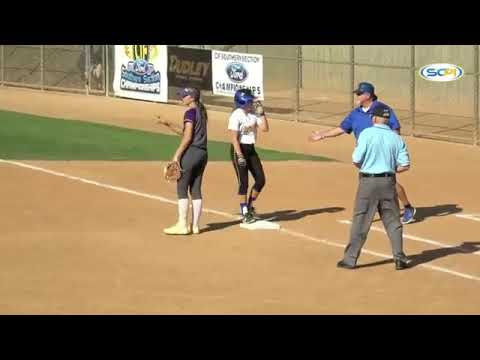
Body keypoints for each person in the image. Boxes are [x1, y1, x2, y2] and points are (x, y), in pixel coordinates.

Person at [309, 82, 416, 224]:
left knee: (387, 181)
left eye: (359, 94)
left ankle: (406, 207)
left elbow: (395, 129)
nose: (357, 96)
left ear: (368, 95)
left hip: (382, 151)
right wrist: (323, 135)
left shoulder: (382, 109)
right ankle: (377, 210)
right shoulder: (356, 113)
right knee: (374, 181)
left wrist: (393, 149)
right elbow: (342, 128)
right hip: (365, 153)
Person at [337, 104, 411, 270]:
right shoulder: (396, 137)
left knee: (361, 220)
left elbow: (356, 159)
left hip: (368, 182)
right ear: (387, 119)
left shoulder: (367, 133)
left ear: (374, 118)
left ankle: (350, 260)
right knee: (393, 221)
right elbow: (405, 165)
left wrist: (368, 167)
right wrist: (390, 169)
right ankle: (399, 258)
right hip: (389, 182)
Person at [162, 87, 208, 235]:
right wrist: (168, 124)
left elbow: (187, 137)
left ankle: (182, 225)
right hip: (202, 153)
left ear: (192, 97)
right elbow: (186, 132)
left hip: (192, 153)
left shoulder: (190, 112)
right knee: (195, 189)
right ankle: (195, 226)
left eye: (184, 96)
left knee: (182, 188)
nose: (182, 98)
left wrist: (176, 155)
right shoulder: (201, 112)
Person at [228, 89, 269, 224]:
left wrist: (261, 113)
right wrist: (239, 156)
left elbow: (264, 128)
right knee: (244, 182)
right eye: (249, 101)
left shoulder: (253, 114)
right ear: (242, 102)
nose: (252, 103)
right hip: (239, 149)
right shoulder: (236, 115)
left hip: (251, 150)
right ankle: (245, 212)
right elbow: (234, 138)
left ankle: (250, 206)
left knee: (260, 180)